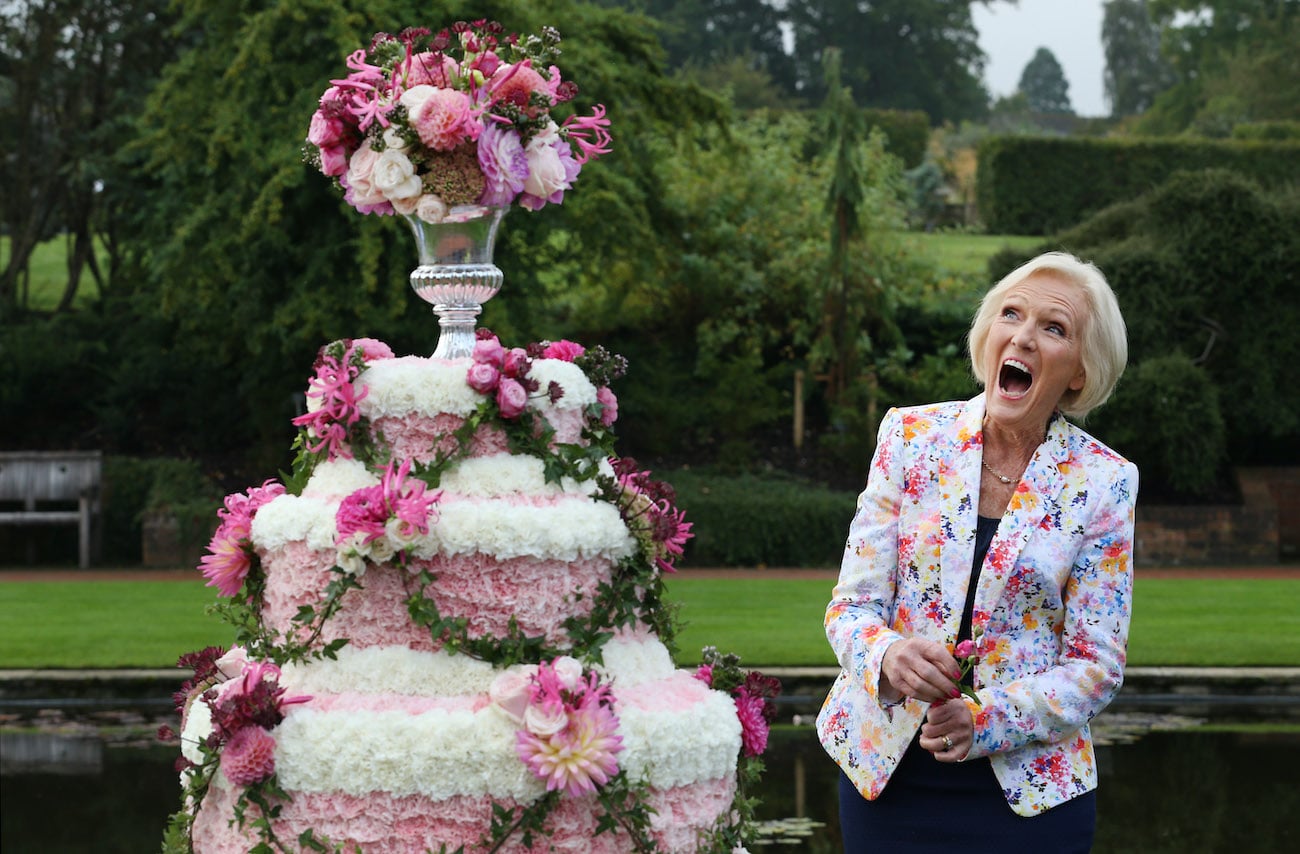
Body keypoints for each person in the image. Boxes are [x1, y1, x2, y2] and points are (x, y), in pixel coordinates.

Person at [817, 251, 1138, 853]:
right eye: (1011, 314)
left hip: (1032, 797)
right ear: (989, 333)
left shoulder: (1105, 481)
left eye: (1054, 327)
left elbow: (1095, 664)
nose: (1023, 337)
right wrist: (887, 655)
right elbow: (850, 608)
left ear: (1079, 371)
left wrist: (984, 718)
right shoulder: (909, 437)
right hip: (887, 781)